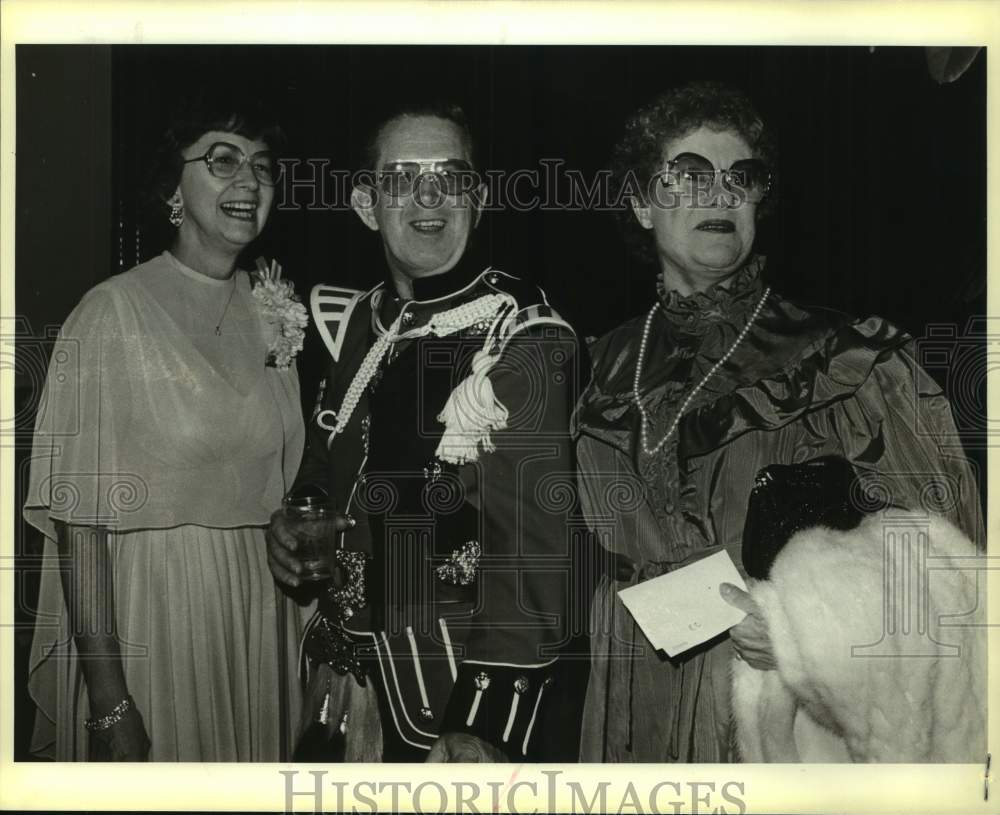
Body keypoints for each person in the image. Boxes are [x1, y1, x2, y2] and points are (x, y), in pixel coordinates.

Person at [573, 80, 983, 762]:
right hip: (625, 700)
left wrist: (806, 629)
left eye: (743, 177)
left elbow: (950, 556)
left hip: (775, 712)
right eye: (689, 174)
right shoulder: (589, 366)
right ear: (642, 204)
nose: (721, 194)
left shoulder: (848, 360)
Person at [266, 102, 585, 762]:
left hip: (445, 704)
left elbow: (532, 559)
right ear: (365, 203)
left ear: (479, 197)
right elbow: (332, 452)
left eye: (451, 176)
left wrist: (484, 724)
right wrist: (299, 518)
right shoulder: (362, 316)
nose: (430, 195)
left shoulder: (520, 333)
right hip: (340, 685)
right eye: (403, 176)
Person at [24, 94, 307, 761]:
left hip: (260, 615)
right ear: (171, 188)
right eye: (222, 159)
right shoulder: (110, 313)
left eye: (262, 166)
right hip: (158, 610)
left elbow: (287, 485)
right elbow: (79, 524)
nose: (248, 180)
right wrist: (109, 698)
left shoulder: (276, 311)